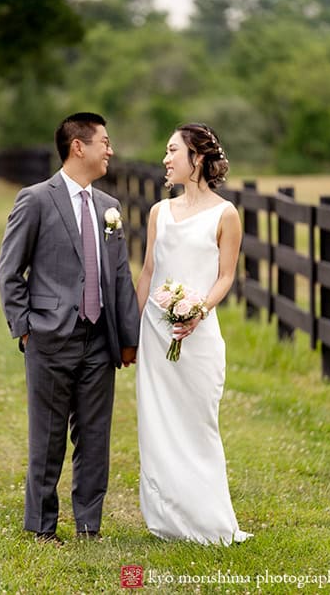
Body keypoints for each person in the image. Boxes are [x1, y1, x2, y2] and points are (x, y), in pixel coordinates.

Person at [0, 112, 139, 544]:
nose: (110, 150)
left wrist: (129, 339)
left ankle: (89, 526)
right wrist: (25, 328)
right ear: (79, 146)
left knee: (95, 438)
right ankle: (42, 526)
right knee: (48, 438)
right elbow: (9, 270)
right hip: (50, 337)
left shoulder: (109, 208)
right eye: (105, 142)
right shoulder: (36, 199)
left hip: (100, 340)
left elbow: (119, 277)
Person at [136, 122, 252, 545]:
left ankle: (210, 522)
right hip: (154, 336)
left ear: (196, 158)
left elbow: (225, 276)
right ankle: (167, 520)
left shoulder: (227, 215)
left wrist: (199, 310)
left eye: (172, 151)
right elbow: (148, 272)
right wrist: (133, 331)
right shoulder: (157, 212)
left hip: (198, 336)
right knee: (158, 424)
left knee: (198, 423)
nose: (165, 160)